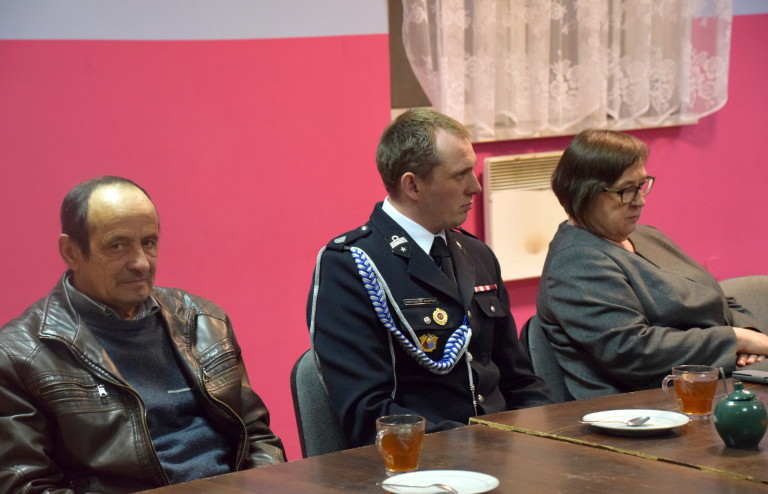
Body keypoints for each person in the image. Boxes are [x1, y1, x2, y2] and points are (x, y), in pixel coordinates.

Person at [0, 177, 285, 493]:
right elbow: (25, 486)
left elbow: (257, 436)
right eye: (117, 246)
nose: (140, 263)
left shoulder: (204, 321)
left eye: (148, 242)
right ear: (71, 252)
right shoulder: (18, 356)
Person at [307, 108, 551, 448]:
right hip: (421, 461)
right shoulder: (351, 266)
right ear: (413, 185)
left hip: (502, 450)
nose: (475, 186)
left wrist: (544, 437)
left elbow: (520, 382)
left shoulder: (477, 254)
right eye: (460, 174)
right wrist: (476, 447)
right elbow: (368, 413)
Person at [536, 129, 768, 399]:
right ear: (584, 193)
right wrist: (735, 340)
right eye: (626, 190)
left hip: (709, 380)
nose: (640, 201)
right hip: (646, 402)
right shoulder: (576, 262)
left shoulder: (646, 236)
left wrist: (748, 333)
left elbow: (716, 297)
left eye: (642, 185)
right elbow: (633, 352)